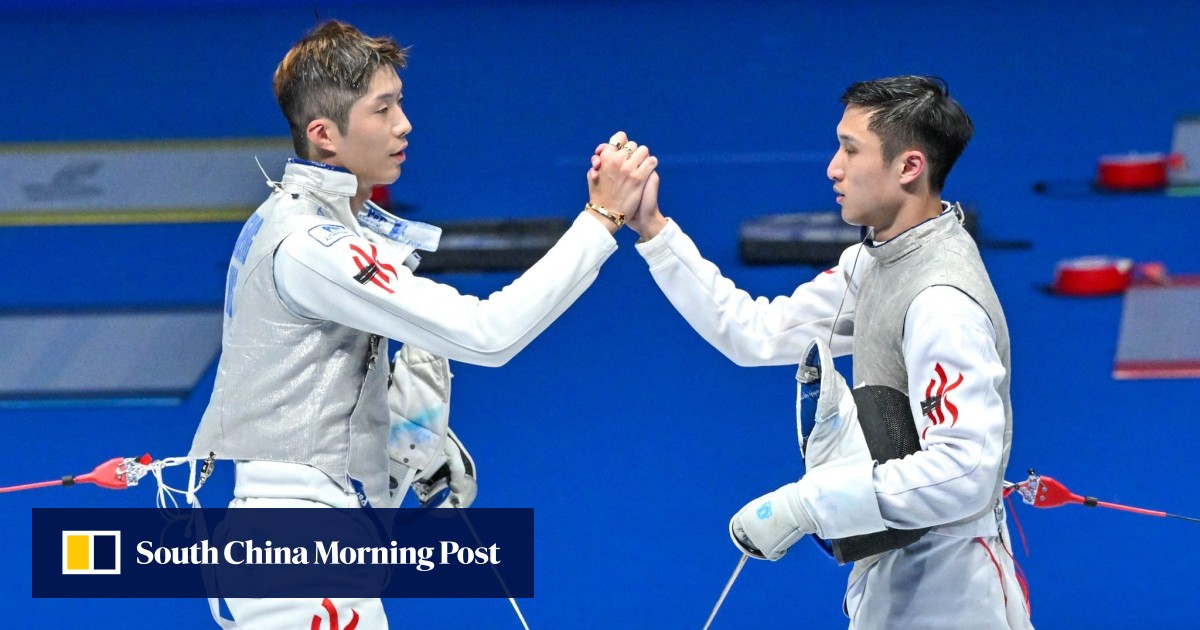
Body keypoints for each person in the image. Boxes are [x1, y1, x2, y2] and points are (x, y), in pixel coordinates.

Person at [188, 19, 656, 629]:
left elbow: (323, 380)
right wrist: (600, 219)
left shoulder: (325, 225)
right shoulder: (308, 243)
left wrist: (402, 441)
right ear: (324, 135)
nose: (403, 124)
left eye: (399, 103)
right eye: (382, 110)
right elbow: (485, 334)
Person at [621, 76, 1033, 628]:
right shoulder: (877, 260)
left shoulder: (941, 302)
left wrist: (805, 504)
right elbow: (757, 333)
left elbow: (964, 474)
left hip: (952, 595)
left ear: (909, 167)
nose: (832, 168)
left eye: (850, 149)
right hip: (899, 570)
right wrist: (652, 229)